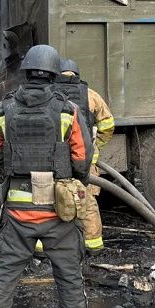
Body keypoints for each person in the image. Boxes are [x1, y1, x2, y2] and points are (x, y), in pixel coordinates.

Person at [0, 44, 94, 308]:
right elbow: (82, 158)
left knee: (5, 274)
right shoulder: (68, 111)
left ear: (26, 72)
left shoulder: (3, 110)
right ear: (52, 73)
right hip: (58, 214)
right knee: (69, 279)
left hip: (18, 212)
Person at [54, 58, 115, 255]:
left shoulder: (50, 95)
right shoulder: (90, 95)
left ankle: (47, 247)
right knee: (87, 202)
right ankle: (93, 246)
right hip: (84, 160)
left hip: (56, 162)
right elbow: (107, 124)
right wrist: (95, 147)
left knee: (53, 201)